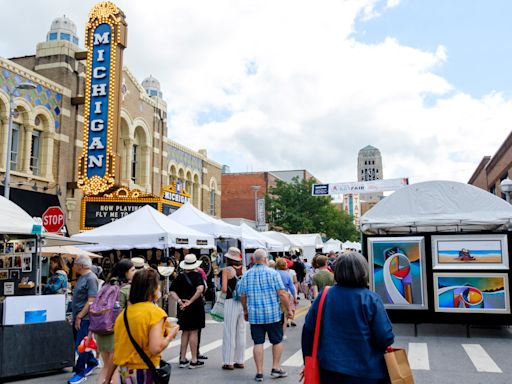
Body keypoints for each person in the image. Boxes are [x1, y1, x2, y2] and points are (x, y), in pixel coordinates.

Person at [301, 252, 395, 384]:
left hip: (329, 371)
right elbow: (385, 337)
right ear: (363, 271)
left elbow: (308, 331)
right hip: (367, 372)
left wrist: (307, 360)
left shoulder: (324, 296)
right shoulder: (370, 298)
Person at [113, 268, 179, 383]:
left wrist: (108, 377)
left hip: (124, 372)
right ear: (152, 289)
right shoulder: (155, 313)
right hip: (145, 370)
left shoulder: (123, 315)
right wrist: (170, 335)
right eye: (158, 285)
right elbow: (155, 348)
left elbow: (117, 350)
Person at [237, 248, 292, 382]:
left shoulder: (247, 275)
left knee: (258, 342)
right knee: (277, 341)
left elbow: (242, 295)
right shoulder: (273, 273)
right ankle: (276, 368)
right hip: (273, 314)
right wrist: (288, 309)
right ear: (266, 259)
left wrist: (245, 310)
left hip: (255, 315)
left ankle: (259, 372)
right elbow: (282, 293)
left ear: (254, 260)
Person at [95, 258, 136, 384]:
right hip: (117, 332)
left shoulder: (106, 285)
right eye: (133, 270)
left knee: (106, 367)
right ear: (125, 272)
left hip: (101, 329)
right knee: (116, 369)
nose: (135, 272)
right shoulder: (126, 288)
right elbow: (131, 312)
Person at [170, 254, 206, 369]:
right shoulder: (197, 276)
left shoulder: (179, 277)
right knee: (194, 332)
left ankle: (182, 359)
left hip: (182, 307)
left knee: (185, 332)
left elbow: (172, 292)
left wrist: (180, 301)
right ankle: (194, 359)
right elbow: (200, 289)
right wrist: (190, 301)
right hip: (195, 306)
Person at [68, 255, 99, 384]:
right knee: (79, 343)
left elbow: (91, 300)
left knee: (81, 345)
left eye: (75, 263)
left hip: (85, 317)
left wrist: (80, 316)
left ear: (81, 266)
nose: (73, 266)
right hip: (78, 316)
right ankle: (92, 362)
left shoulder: (91, 278)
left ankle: (80, 372)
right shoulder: (82, 277)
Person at [221, 247, 246, 370]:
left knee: (229, 331)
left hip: (230, 301)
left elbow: (224, 289)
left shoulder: (226, 270)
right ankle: (240, 360)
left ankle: (228, 361)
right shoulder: (245, 269)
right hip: (242, 302)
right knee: (241, 331)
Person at [275, 258, 298, 334]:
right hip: (285, 295)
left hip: (274, 295)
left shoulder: (274, 273)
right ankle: (282, 333)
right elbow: (292, 287)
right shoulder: (287, 274)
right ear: (285, 265)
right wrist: (295, 297)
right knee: (284, 315)